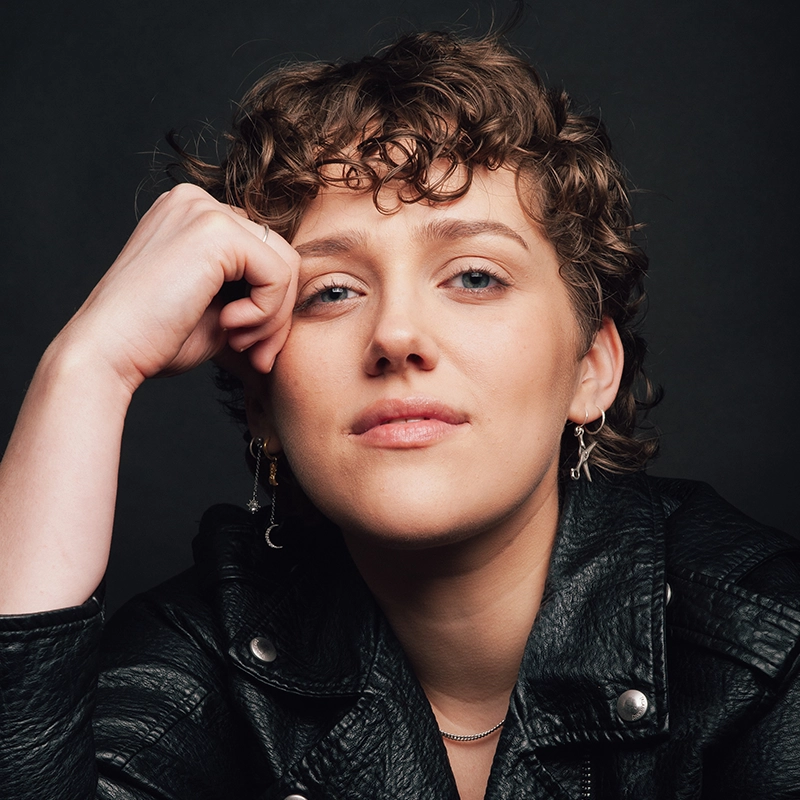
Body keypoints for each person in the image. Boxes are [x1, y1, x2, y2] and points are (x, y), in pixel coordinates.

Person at [1, 27, 799, 800]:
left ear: (590, 368)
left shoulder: (765, 644)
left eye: (475, 277)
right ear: (262, 405)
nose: (396, 336)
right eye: (331, 292)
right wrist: (89, 367)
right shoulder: (206, 645)